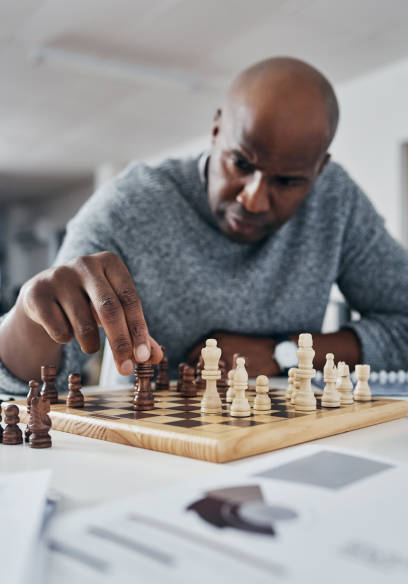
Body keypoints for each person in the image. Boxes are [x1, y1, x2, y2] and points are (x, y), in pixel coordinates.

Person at [1, 56, 408, 393]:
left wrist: (280, 352)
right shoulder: (126, 206)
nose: (253, 198)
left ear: (320, 170)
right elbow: (25, 381)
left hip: (284, 436)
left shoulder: (336, 200)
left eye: (288, 181)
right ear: (216, 131)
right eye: (242, 163)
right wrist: (30, 314)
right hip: (155, 450)